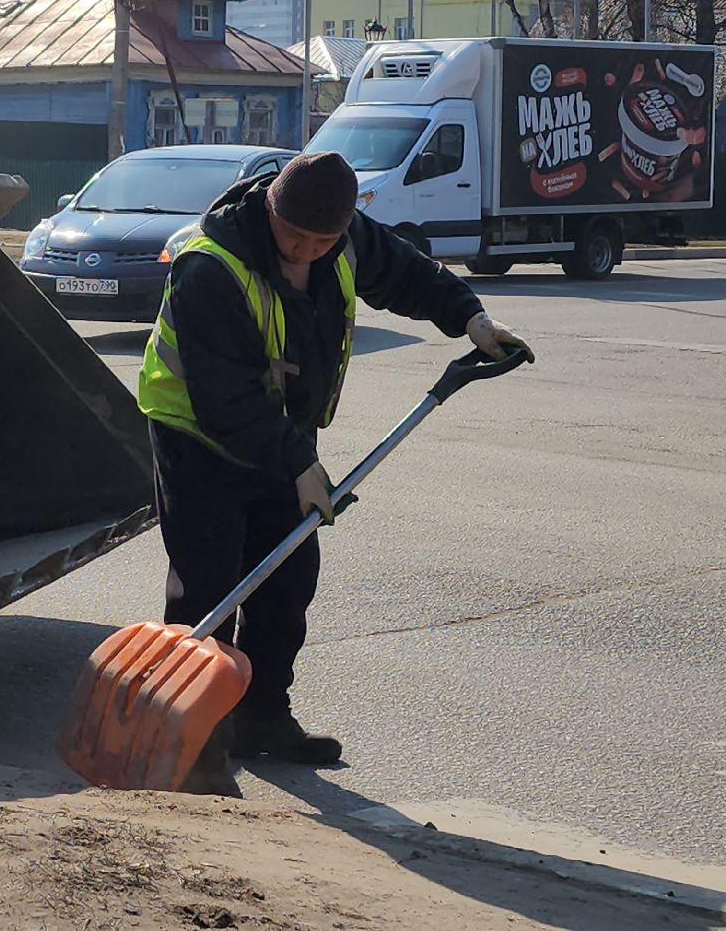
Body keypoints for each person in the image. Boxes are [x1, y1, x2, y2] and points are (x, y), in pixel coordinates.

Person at [136, 150, 531, 795]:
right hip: (197, 433)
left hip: (285, 432)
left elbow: (407, 272)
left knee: (288, 582)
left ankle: (262, 716)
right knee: (209, 587)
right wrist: (300, 465)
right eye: (296, 235)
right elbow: (226, 396)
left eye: (325, 240)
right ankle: (195, 734)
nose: (309, 250)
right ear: (271, 209)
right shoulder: (211, 266)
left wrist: (471, 317)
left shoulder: (343, 239)